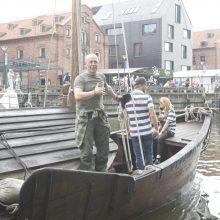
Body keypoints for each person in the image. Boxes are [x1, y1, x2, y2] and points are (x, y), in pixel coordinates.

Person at [74, 53, 121, 172]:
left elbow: (107, 88)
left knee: (104, 147)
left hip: (100, 115)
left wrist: (116, 97)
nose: (93, 64)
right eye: (91, 62)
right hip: (86, 117)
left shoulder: (101, 76)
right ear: (86, 64)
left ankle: (101, 171)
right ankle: (86, 173)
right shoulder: (80, 78)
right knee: (87, 151)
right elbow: (77, 95)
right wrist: (94, 93)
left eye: (95, 62)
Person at [125, 77, 159, 170]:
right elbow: (153, 115)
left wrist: (128, 130)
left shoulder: (127, 99)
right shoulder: (147, 97)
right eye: (145, 85)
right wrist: (156, 129)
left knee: (138, 154)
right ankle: (149, 170)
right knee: (149, 153)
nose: (146, 87)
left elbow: (126, 118)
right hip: (147, 131)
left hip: (135, 132)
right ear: (141, 85)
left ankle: (140, 171)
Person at [155, 97, 176, 164]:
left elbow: (167, 123)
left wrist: (161, 132)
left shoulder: (171, 111)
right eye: (160, 102)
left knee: (160, 138)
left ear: (165, 103)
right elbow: (161, 125)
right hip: (165, 129)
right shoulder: (163, 111)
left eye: (161, 102)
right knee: (153, 136)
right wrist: (157, 131)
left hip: (170, 131)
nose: (160, 104)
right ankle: (154, 155)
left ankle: (158, 158)